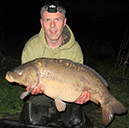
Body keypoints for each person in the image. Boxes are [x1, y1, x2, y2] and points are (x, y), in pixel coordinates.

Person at [20, 0, 90, 127]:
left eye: (57, 19)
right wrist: (32, 89)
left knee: (76, 122)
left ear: (64, 22)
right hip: (42, 95)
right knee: (32, 121)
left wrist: (82, 95)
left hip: (68, 93)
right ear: (42, 23)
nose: (52, 25)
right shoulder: (31, 47)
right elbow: (27, 80)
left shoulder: (75, 50)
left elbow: (81, 82)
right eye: (47, 20)